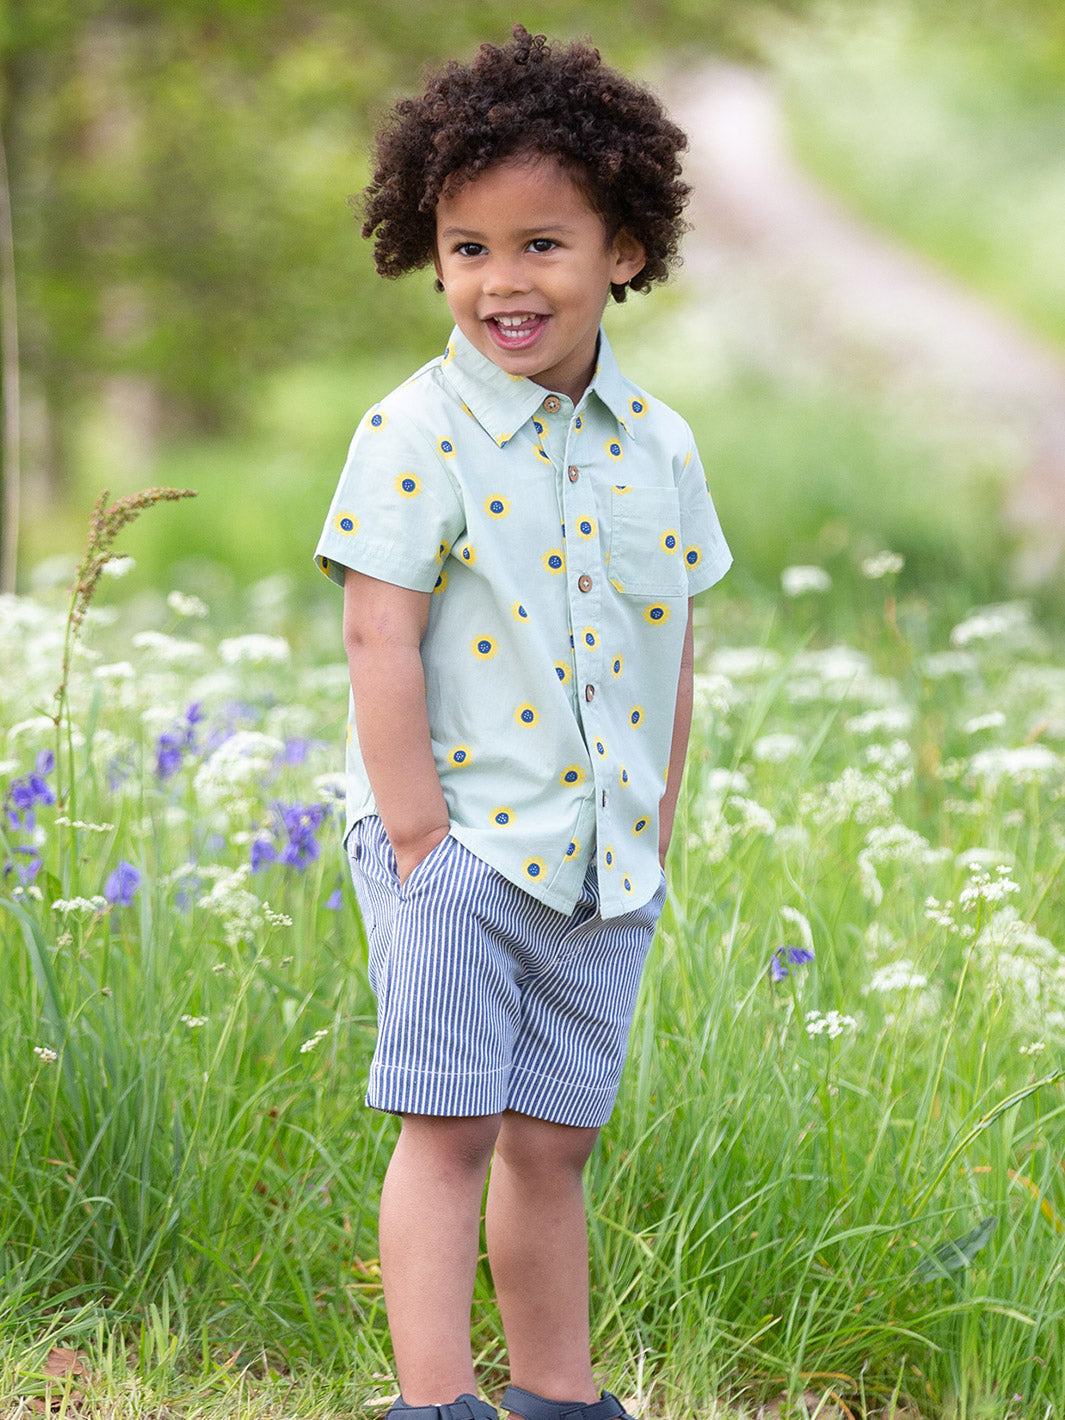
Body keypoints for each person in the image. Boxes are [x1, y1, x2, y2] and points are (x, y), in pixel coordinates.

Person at [314, 25, 730, 1420]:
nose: (503, 279)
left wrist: (660, 814)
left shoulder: (657, 444)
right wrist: (420, 835)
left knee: (551, 1144)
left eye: (543, 243)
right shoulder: (410, 432)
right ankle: (433, 1406)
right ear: (427, 254)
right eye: (469, 246)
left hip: (606, 865)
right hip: (466, 855)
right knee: (447, 1137)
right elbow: (378, 631)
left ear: (622, 249)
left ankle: (560, 1397)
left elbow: (671, 641)